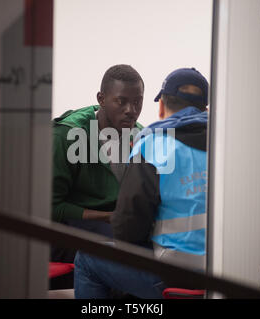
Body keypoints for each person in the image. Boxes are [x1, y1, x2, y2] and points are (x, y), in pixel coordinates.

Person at [74, 67, 209, 299]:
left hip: (176, 276)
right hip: (227, 272)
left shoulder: (152, 145)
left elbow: (127, 230)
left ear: (161, 106)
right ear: (205, 109)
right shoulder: (228, 143)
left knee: (87, 259)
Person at [51, 64, 144, 263]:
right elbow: (50, 208)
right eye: (121, 101)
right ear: (101, 99)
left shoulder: (141, 137)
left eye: (138, 102)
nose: (131, 111)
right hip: (65, 230)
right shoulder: (67, 136)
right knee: (124, 248)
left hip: (116, 225)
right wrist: (108, 217)